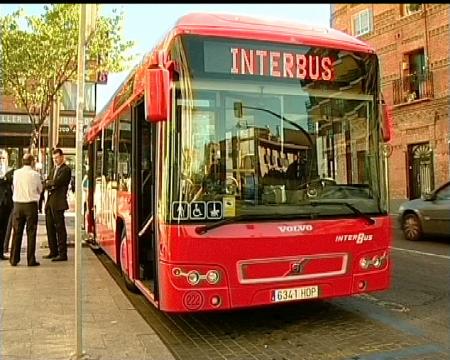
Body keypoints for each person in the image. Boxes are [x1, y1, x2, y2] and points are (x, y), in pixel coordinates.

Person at [10, 153, 42, 266]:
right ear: (32, 162)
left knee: (17, 232)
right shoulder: (35, 175)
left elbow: (13, 187)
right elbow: (40, 189)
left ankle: (14, 258)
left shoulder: (16, 173)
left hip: (18, 205)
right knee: (31, 233)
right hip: (30, 206)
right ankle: (30, 259)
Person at [44, 148, 72, 261]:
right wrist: (49, 183)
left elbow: (57, 182)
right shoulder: (53, 169)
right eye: (53, 158)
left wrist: (50, 183)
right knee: (49, 227)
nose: (55, 160)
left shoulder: (66, 169)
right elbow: (47, 182)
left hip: (59, 202)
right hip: (50, 202)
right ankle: (53, 251)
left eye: (57, 158)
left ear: (62, 157)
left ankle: (62, 253)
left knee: (60, 228)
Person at [0, 149, 14, 260]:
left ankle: (1, 252)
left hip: (7, 204)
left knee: (4, 228)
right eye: (0, 158)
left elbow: (11, 181)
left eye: (3, 158)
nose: (1, 160)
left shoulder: (10, 171)